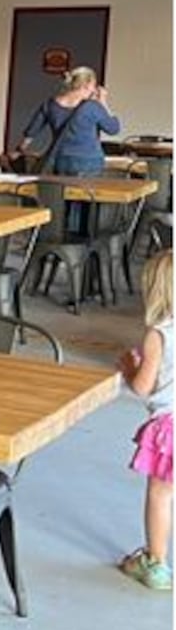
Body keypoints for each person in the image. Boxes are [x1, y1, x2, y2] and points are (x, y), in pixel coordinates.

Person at [118, 249, 173, 591]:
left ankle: (156, 563)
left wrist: (129, 367)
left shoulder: (158, 335)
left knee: (160, 494)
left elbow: (142, 386)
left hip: (170, 424)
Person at [14, 66, 121, 176]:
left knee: (63, 190)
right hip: (88, 161)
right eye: (94, 86)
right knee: (86, 193)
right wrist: (103, 102)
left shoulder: (50, 105)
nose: (94, 90)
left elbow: (31, 132)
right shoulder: (92, 107)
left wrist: (19, 150)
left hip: (61, 159)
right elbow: (114, 129)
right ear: (87, 85)